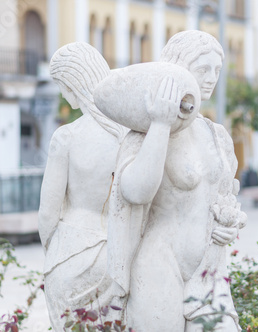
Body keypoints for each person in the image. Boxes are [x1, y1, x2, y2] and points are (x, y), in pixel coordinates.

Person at [105, 31, 246, 331]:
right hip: (159, 267)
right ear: (177, 69)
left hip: (209, 270)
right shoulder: (145, 134)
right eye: (203, 68)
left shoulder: (217, 136)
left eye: (217, 70)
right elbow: (135, 192)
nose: (211, 78)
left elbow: (224, 199)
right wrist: (160, 124)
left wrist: (230, 222)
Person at [38, 42, 127, 330]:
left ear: (75, 83)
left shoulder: (67, 137)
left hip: (70, 252)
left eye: (63, 86)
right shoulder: (128, 137)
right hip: (115, 255)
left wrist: (52, 249)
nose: (64, 95)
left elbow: (48, 214)